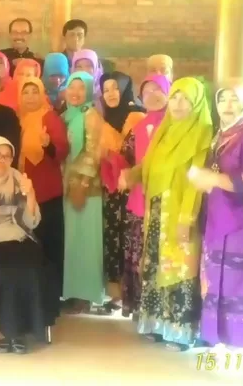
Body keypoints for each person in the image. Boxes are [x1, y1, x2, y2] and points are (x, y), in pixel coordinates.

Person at [121, 77, 213, 351]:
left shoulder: (202, 133)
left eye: (186, 98)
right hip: (156, 210)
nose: (179, 103)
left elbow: (196, 183)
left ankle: (180, 332)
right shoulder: (164, 130)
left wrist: (187, 217)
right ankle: (156, 324)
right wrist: (132, 175)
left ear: (197, 103)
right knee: (155, 266)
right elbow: (149, 165)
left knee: (179, 268)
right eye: (175, 97)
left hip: (181, 210)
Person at [0, 137, 60, 354]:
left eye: (7, 156)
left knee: (34, 267)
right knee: (5, 271)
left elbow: (31, 222)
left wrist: (31, 194)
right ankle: (3, 331)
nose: (2, 160)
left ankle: (22, 330)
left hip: (19, 237)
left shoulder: (19, 179)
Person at [187, 79, 243, 352]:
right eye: (222, 99)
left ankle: (240, 340)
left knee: (236, 283)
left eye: (234, 99)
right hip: (218, 215)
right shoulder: (223, 134)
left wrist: (213, 178)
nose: (227, 105)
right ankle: (217, 336)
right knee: (215, 278)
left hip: (241, 221)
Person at [118, 74, 171, 318]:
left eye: (157, 90)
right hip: (139, 199)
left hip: (164, 201)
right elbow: (126, 157)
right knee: (139, 255)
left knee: (158, 258)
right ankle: (141, 311)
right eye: (147, 91)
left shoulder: (174, 126)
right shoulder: (139, 126)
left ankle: (158, 313)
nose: (152, 96)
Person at [98, 71, 145, 312]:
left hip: (132, 188)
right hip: (111, 190)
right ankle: (116, 295)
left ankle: (135, 297)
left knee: (131, 242)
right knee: (113, 240)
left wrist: (114, 157)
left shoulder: (138, 116)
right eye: (106, 90)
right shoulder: (103, 118)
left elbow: (140, 154)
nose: (111, 94)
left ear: (125, 89)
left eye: (115, 88)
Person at [17, 77, 68, 293]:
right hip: (23, 190)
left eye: (34, 92)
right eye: (25, 92)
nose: (30, 97)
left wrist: (47, 145)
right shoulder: (18, 119)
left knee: (49, 242)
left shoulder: (50, 117)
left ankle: (52, 292)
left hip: (47, 191)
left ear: (42, 94)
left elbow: (62, 151)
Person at [62, 71, 106, 314]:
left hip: (86, 189)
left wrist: (83, 184)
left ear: (89, 90)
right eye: (72, 87)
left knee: (86, 241)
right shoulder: (67, 115)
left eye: (81, 88)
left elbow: (94, 152)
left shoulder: (91, 115)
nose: (75, 92)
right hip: (68, 185)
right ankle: (73, 292)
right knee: (73, 241)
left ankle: (86, 295)